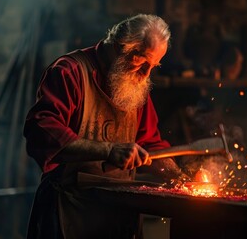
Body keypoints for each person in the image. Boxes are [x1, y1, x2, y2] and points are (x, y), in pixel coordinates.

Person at [24, 14, 189, 239]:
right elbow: (42, 132)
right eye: (141, 59)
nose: (146, 74)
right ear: (118, 47)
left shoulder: (135, 87)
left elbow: (150, 144)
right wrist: (108, 150)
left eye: (153, 65)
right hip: (69, 210)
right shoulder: (69, 72)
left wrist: (178, 177)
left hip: (116, 215)